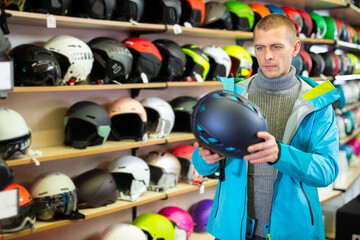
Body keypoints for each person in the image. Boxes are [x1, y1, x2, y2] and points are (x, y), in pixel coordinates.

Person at [192, 13, 339, 240]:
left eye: (276, 47)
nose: (267, 56)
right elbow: (201, 167)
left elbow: (327, 170)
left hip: (291, 231)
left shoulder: (317, 103)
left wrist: (281, 154)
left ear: (295, 47)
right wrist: (206, 157)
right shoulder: (232, 96)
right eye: (260, 48)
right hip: (233, 230)